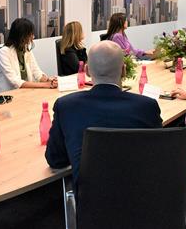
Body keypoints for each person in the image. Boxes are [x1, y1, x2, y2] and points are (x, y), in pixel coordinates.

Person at [45, 41, 162, 188]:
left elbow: (56, 160)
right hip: (145, 198)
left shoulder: (66, 106)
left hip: (90, 205)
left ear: (87, 71)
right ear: (124, 70)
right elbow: (158, 156)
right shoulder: (147, 107)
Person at [0, 18, 57, 92]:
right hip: (8, 94)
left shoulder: (26, 49)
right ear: (21, 36)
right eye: (30, 34)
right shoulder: (3, 52)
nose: (33, 37)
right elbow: (15, 81)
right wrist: (45, 85)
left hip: (25, 91)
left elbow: (36, 72)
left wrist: (48, 80)